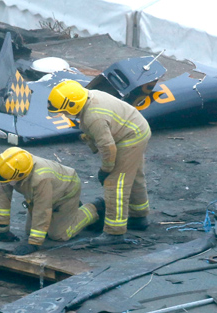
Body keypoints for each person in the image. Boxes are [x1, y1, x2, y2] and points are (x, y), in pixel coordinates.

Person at [47, 80, 151, 245]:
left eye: (64, 111)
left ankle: (114, 233)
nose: (64, 115)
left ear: (73, 105)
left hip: (130, 137)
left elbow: (108, 148)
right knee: (134, 175)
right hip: (137, 128)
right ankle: (138, 217)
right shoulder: (89, 98)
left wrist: (106, 169)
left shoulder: (93, 117)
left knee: (116, 183)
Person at [0, 147, 104, 255]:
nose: (4, 184)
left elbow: (42, 210)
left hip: (67, 191)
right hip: (46, 192)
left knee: (59, 235)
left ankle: (94, 209)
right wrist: (4, 230)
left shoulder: (41, 178)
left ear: (21, 175)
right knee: (31, 231)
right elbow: (3, 200)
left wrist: (34, 243)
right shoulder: (7, 172)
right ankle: (69, 213)